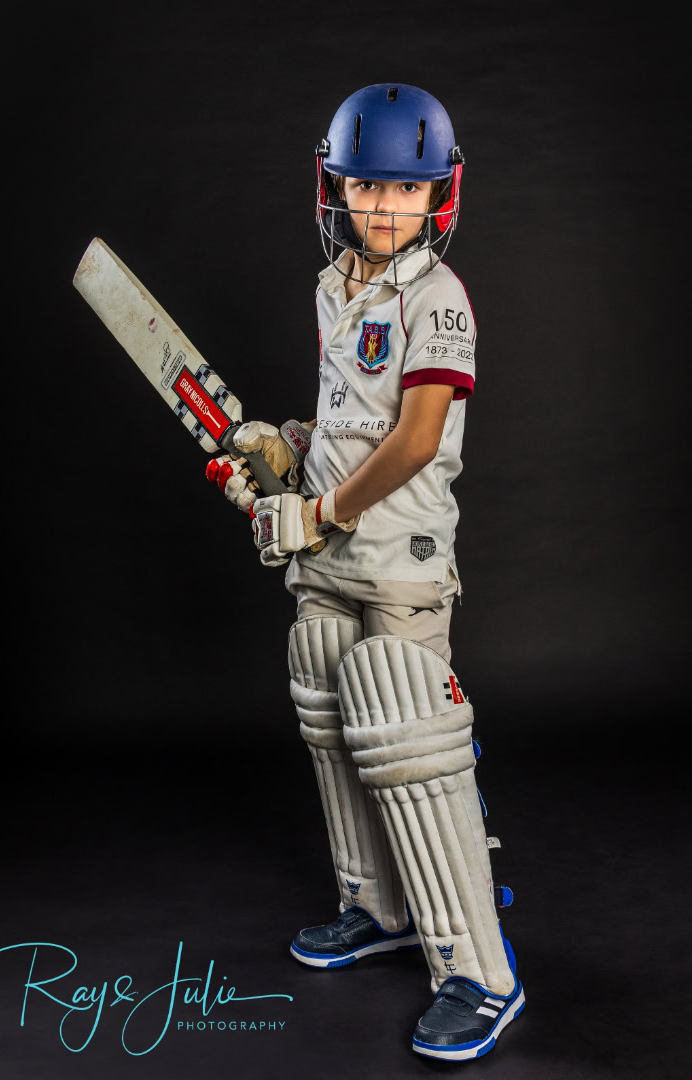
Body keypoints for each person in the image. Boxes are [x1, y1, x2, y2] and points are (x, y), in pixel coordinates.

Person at [205, 83, 524, 1063]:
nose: (384, 208)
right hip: (328, 556)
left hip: (396, 561)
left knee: (407, 731)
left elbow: (417, 436)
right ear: (332, 186)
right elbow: (350, 419)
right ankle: (376, 905)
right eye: (366, 187)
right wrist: (287, 449)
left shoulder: (437, 300)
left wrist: (319, 509)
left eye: (405, 190)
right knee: (328, 699)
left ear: (440, 197)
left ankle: (479, 973)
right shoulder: (332, 283)